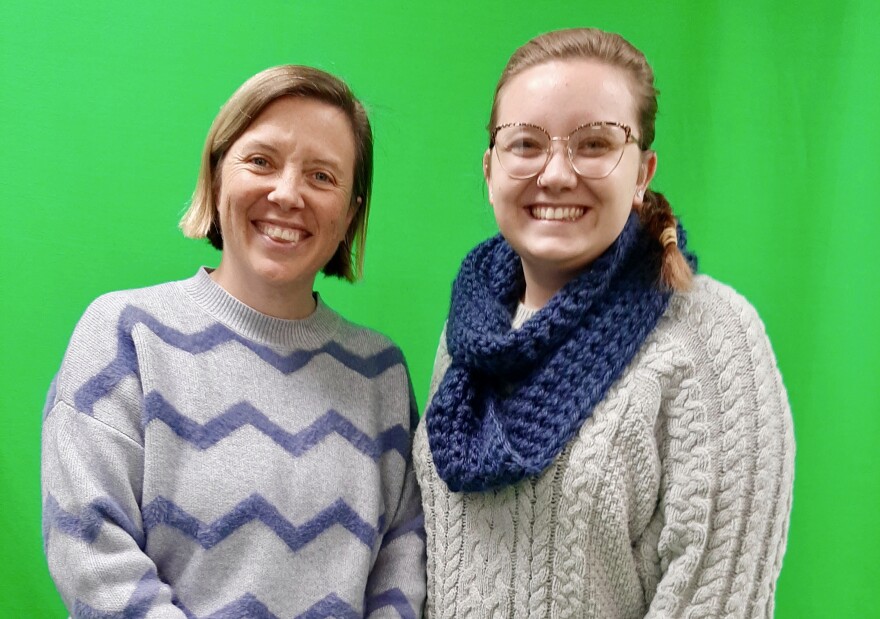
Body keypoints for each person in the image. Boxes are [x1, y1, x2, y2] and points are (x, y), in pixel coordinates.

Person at [413, 28, 794, 618]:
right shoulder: (470, 337)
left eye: (594, 144)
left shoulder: (711, 337)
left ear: (642, 172)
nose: (557, 173)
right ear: (490, 170)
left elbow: (718, 602)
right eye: (526, 144)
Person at [41, 65, 425, 618]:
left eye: (322, 176)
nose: (288, 194)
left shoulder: (379, 372)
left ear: (350, 214)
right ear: (218, 174)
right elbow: (92, 555)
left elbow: (402, 565)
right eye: (261, 161)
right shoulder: (127, 333)